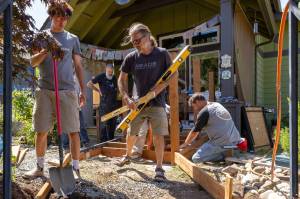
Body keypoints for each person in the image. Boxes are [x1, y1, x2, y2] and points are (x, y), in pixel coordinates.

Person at [24, 1, 85, 179]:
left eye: (65, 17)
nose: (61, 20)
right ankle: (39, 167)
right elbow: (32, 62)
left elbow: (79, 66)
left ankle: (75, 169)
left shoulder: (72, 39)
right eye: (58, 16)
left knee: (73, 131)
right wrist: (45, 51)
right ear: (51, 15)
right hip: (44, 90)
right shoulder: (41, 37)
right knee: (41, 130)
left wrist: (82, 90)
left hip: (67, 90)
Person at [117, 23, 171, 182]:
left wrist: (156, 90)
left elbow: (171, 75)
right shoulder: (131, 57)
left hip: (157, 103)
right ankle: (127, 155)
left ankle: (159, 168)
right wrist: (126, 97)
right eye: (133, 42)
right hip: (137, 104)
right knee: (131, 133)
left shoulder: (162, 54)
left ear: (147, 36)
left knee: (159, 135)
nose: (135, 44)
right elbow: (121, 79)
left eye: (137, 41)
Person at [180, 93, 247, 163]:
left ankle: (225, 157)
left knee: (196, 158)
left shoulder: (205, 112)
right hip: (234, 139)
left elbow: (195, 131)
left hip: (222, 142)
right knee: (207, 145)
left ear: (197, 102)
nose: (195, 109)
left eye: (194, 107)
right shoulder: (217, 105)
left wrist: (185, 144)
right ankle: (230, 151)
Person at [87, 63, 118, 142]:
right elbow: (89, 84)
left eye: (111, 72)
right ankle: (103, 142)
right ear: (106, 70)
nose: (110, 73)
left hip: (113, 105)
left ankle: (111, 140)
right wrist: (98, 90)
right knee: (103, 125)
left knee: (112, 124)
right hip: (104, 105)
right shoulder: (101, 76)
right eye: (109, 72)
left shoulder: (114, 78)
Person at [62, 76, 90, 151]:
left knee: (81, 125)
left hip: (76, 107)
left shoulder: (76, 79)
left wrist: (81, 95)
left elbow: (80, 92)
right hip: (66, 106)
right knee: (65, 127)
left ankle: (85, 142)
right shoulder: (64, 78)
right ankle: (66, 146)